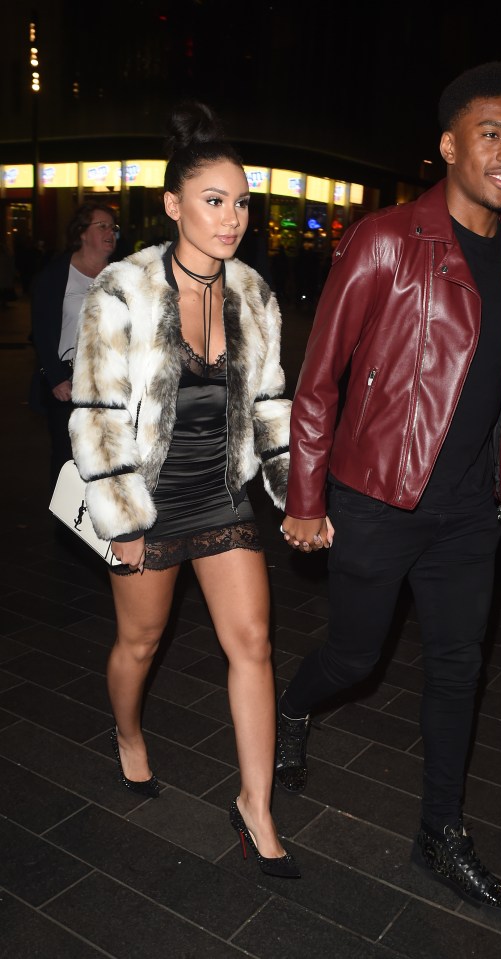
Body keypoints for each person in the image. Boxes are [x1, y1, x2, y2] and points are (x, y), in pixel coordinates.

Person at [276, 61, 501, 917]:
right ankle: (292, 707)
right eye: (491, 133)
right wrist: (306, 501)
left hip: (469, 514)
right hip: (377, 495)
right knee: (354, 656)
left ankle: (439, 834)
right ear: (449, 144)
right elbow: (318, 380)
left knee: (459, 670)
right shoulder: (386, 240)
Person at [69, 102, 299, 878]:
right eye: (214, 200)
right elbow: (96, 410)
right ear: (173, 204)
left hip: (224, 495)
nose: (231, 217)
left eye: (241, 203)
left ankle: (256, 806)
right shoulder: (122, 288)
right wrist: (121, 516)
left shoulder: (256, 297)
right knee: (141, 641)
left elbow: (271, 405)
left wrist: (294, 492)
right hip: (148, 497)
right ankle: (128, 732)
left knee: (254, 643)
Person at [31, 202, 118, 490]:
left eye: (113, 227)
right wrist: (54, 377)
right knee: (69, 458)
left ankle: (105, 522)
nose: (110, 233)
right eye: (102, 226)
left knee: (108, 455)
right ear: (82, 232)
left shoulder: (121, 275)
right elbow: (42, 330)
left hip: (111, 381)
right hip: (69, 382)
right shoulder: (56, 274)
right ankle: (68, 526)